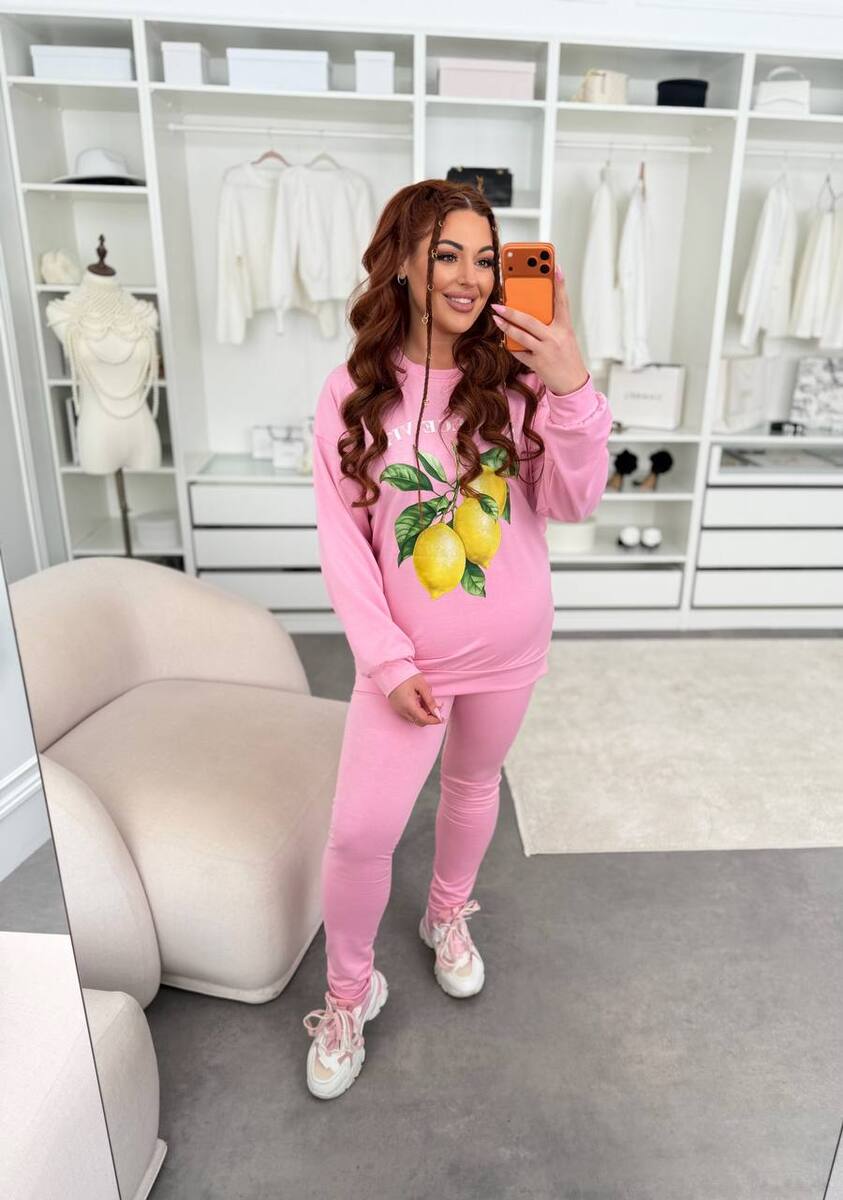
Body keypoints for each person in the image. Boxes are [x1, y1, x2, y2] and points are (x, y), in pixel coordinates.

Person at [302, 179, 613, 1100]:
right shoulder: (352, 393)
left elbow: (573, 502)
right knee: (360, 836)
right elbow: (343, 544)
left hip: (510, 644)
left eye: (484, 258)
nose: (470, 277)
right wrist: (387, 660)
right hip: (406, 662)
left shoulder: (516, 379)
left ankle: (445, 916)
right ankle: (348, 994)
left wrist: (571, 388)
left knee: (475, 786)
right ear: (402, 263)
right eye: (447, 254)